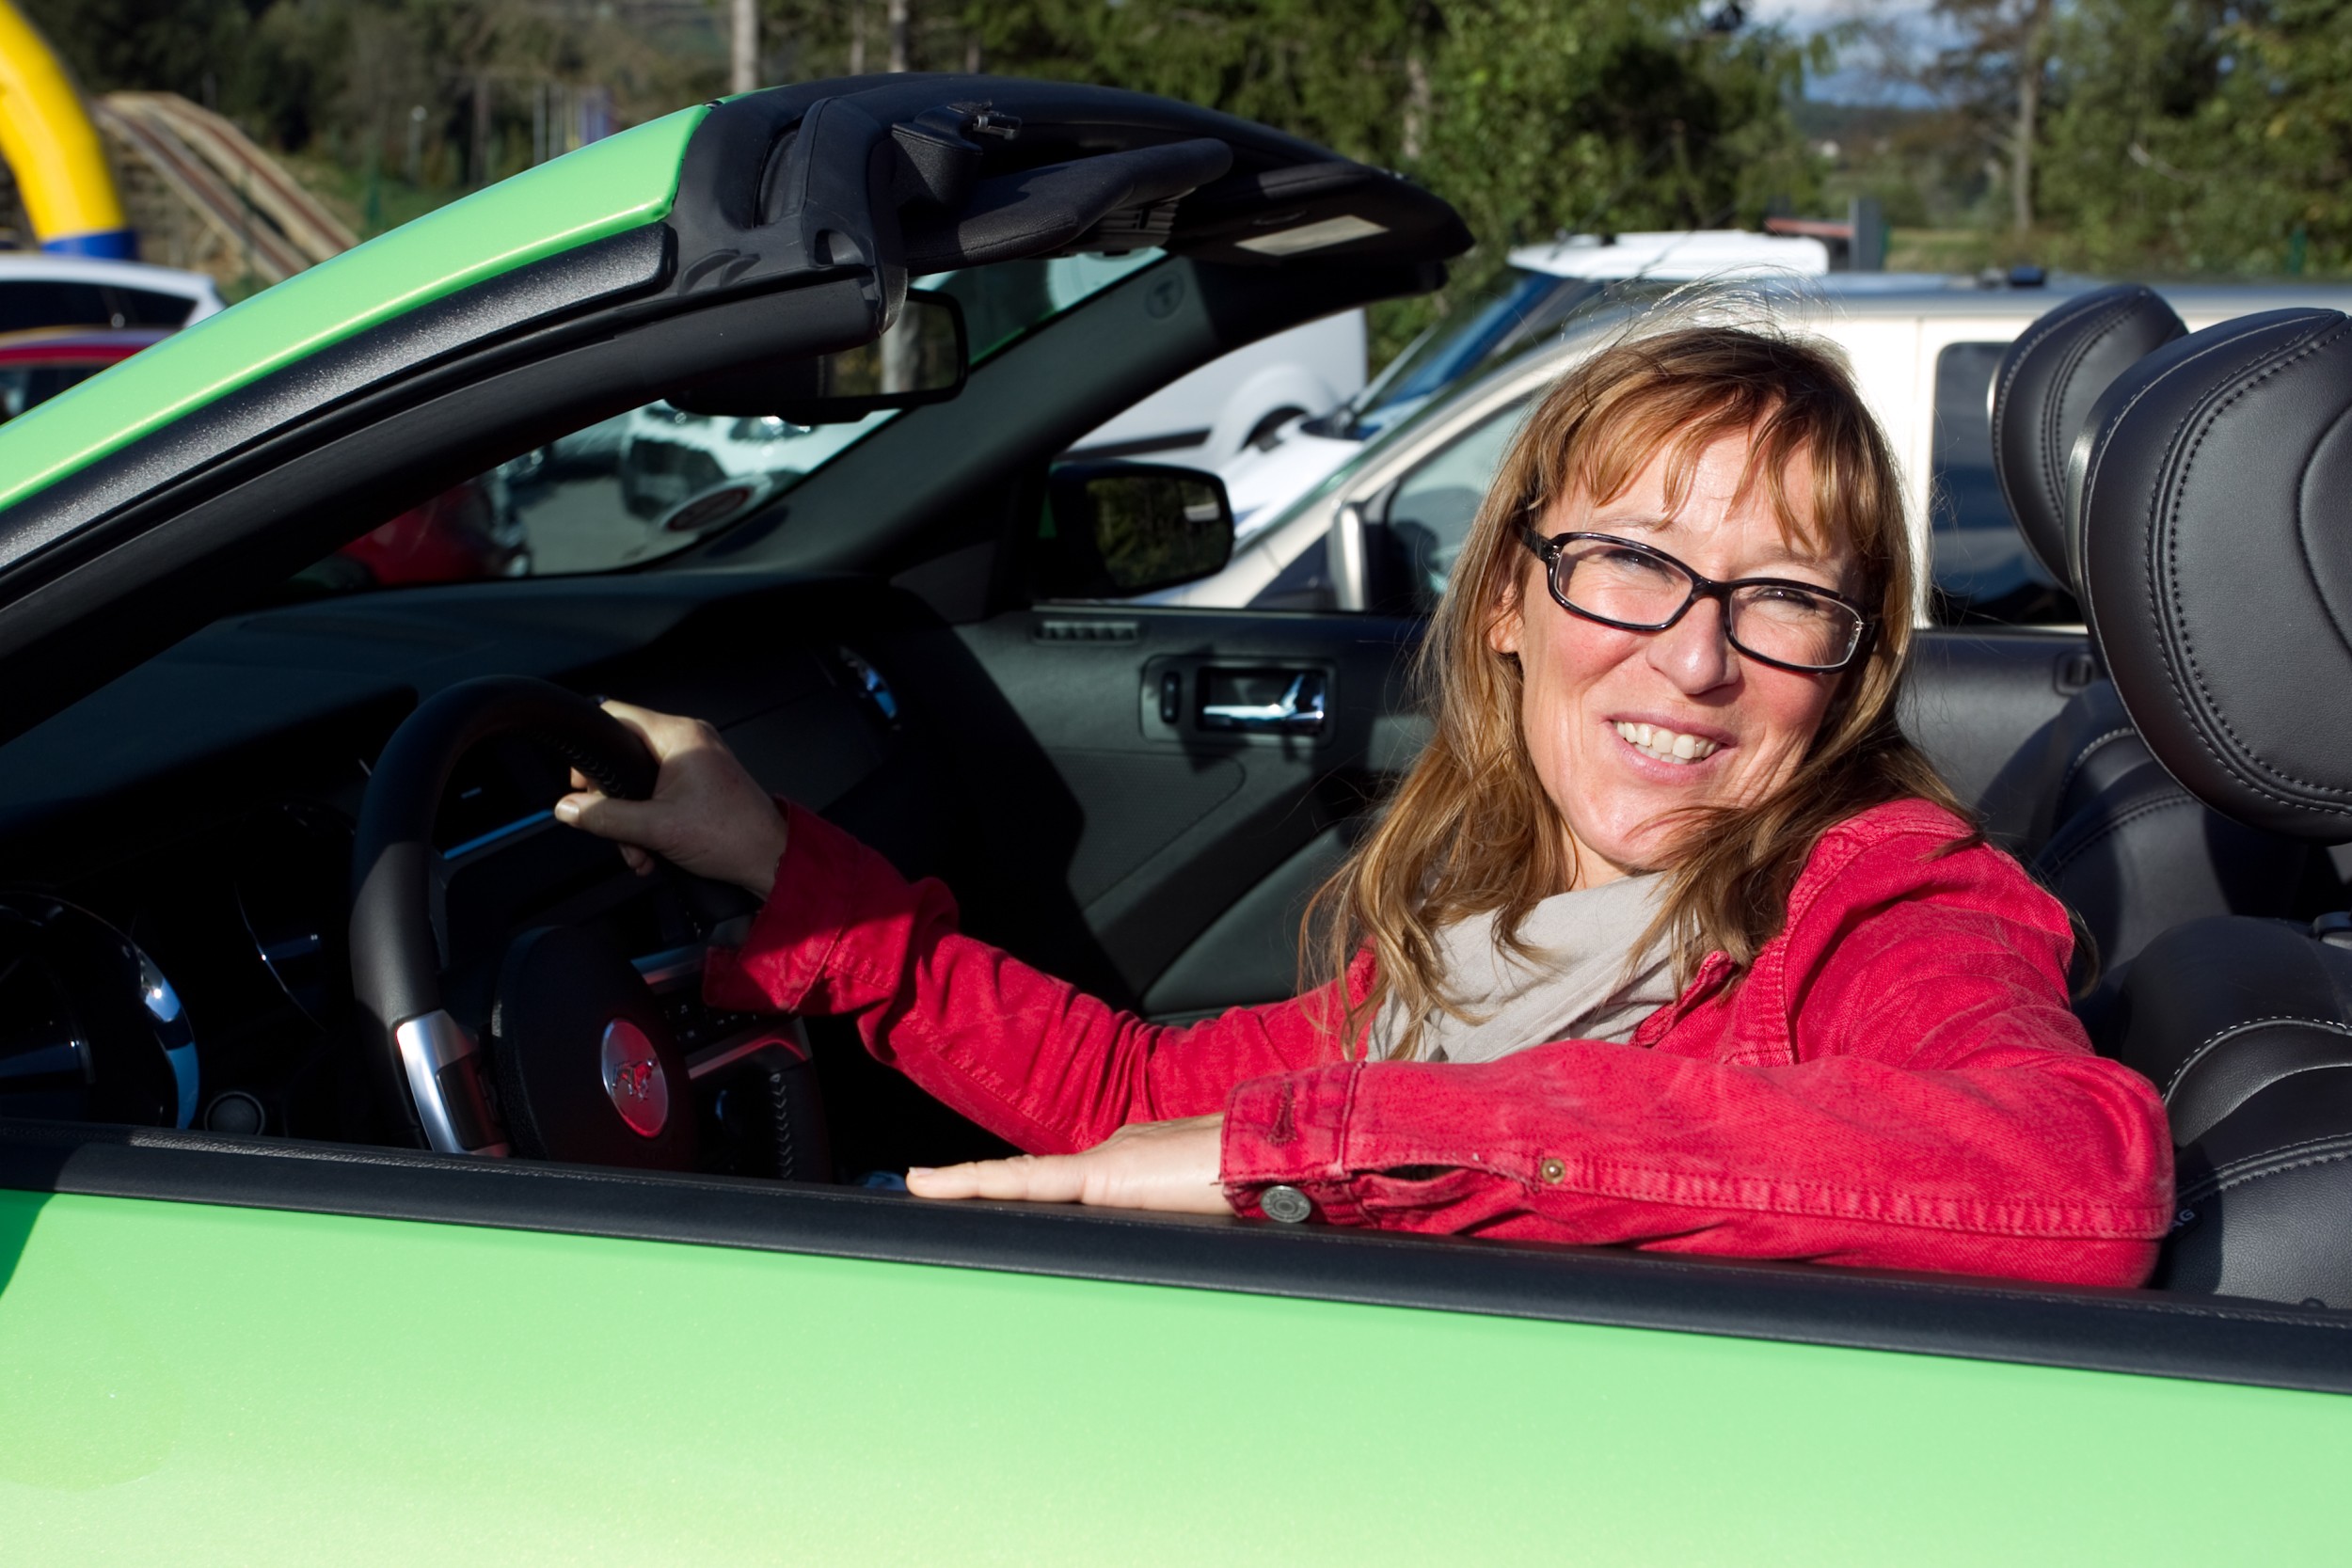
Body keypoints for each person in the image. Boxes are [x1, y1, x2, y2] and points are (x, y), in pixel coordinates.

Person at [554, 325, 2174, 1288]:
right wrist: (784, 869)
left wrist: (1328, 1153)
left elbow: (2075, 1179)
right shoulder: (1518, 938)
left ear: (1848, 665)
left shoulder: (1886, 895)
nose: (1695, 659)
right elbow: (1135, 1094)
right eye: (1632, 563)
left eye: (1784, 599)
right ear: (1510, 602)